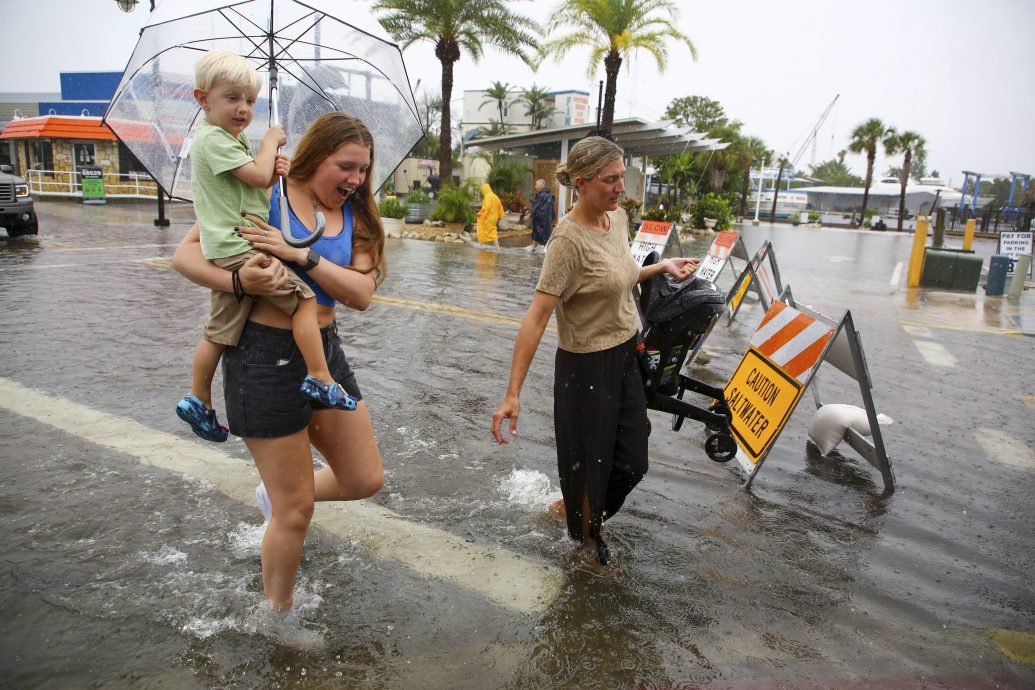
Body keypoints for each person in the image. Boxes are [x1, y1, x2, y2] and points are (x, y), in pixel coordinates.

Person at [172, 112, 386, 625]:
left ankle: (278, 490)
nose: (355, 180)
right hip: (262, 356)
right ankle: (278, 620)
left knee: (364, 478)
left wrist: (301, 258)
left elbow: (360, 294)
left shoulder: (358, 216)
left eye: (363, 170)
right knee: (297, 512)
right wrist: (241, 283)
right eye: (345, 167)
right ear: (317, 157)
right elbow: (185, 256)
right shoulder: (263, 190)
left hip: (324, 351)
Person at [490, 136, 699, 565]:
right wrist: (513, 393)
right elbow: (536, 316)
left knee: (632, 460)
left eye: (622, 176)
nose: (621, 187)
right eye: (610, 179)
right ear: (582, 183)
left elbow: (617, 275)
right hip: (584, 365)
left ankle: (574, 514)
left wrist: (659, 267)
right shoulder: (566, 241)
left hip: (625, 355)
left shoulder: (617, 219)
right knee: (589, 468)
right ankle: (587, 547)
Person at [176, 50, 357, 445]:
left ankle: (198, 399)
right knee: (304, 298)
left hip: (235, 246)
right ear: (202, 99)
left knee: (219, 332)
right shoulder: (216, 141)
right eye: (232, 98)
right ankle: (320, 377)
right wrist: (271, 142)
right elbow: (254, 180)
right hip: (240, 247)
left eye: (250, 101)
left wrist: (270, 167)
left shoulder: (231, 142)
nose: (243, 108)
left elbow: (254, 178)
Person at [528, 178, 555, 252]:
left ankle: (535, 250)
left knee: (539, 235)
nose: (535, 186)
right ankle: (535, 249)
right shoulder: (549, 196)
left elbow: (536, 206)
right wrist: (552, 219)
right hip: (546, 221)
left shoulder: (542, 195)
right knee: (541, 237)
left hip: (540, 220)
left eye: (536, 184)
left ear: (541, 185)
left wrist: (529, 215)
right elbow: (552, 210)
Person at [476, 182, 504, 247]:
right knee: (493, 232)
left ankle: (480, 245)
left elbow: (487, 207)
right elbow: (500, 206)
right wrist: (500, 215)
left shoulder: (487, 196)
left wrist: (480, 213)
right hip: (494, 218)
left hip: (488, 217)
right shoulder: (495, 196)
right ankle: (497, 248)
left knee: (481, 228)